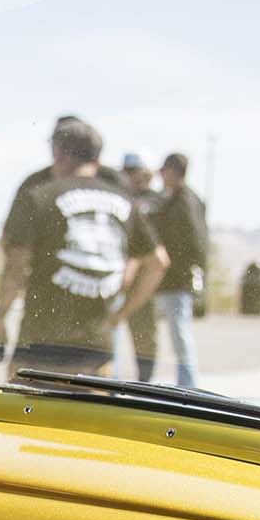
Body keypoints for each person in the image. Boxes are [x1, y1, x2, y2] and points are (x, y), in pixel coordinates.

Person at [0, 118, 166, 377]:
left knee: (23, 416)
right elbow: (158, 262)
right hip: (97, 353)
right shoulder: (123, 199)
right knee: (88, 417)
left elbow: (15, 266)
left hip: (39, 351)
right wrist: (120, 315)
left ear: (59, 151)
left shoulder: (39, 194)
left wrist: (0, 321)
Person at [151, 152, 208, 387]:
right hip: (168, 279)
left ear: (174, 172)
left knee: (180, 336)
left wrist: (182, 266)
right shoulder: (173, 199)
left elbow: (195, 242)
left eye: (164, 171)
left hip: (177, 280)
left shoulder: (184, 201)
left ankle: (188, 386)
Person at [118, 152, 162, 381]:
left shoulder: (154, 201)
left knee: (144, 335)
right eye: (127, 171)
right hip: (119, 277)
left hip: (145, 278)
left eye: (134, 171)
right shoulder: (120, 198)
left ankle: (145, 383)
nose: (131, 176)